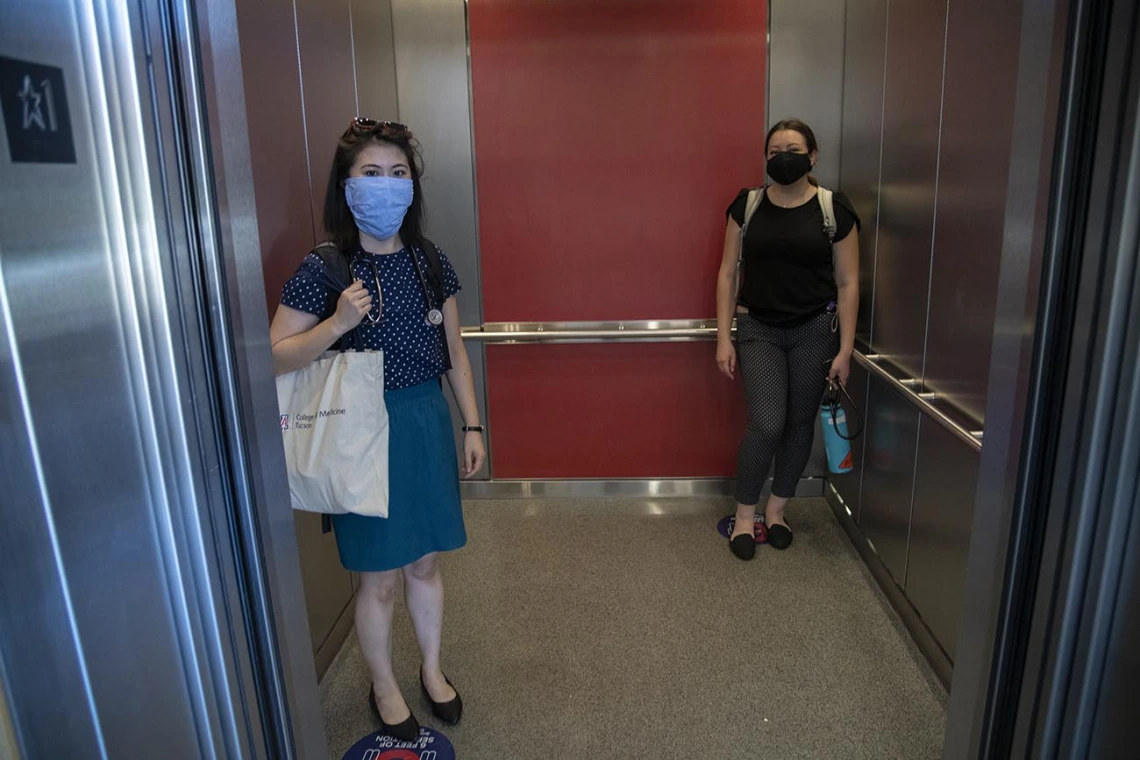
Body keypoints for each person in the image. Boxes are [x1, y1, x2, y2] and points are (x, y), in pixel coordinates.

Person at [269, 118, 485, 739]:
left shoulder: (429, 260)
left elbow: (455, 351)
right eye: (371, 173)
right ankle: (384, 686)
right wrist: (335, 324)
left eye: (398, 174)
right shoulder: (326, 266)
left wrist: (472, 425)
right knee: (379, 580)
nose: (386, 186)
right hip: (360, 436)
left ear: (412, 187)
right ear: (347, 185)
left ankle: (433, 670)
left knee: (425, 565)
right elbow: (274, 355)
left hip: (423, 423)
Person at [714, 118, 860, 561]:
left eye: (793, 149)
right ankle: (745, 517)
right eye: (775, 149)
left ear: (812, 156)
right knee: (767, 423)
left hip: (816, 330)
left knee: (799, 424)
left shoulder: (835, 209)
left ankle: (776, 511)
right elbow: (726, 273)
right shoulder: (748, 206)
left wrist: (846, 349)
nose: (783, 156)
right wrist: (724, 337)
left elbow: (849, 282)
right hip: (758, 328)